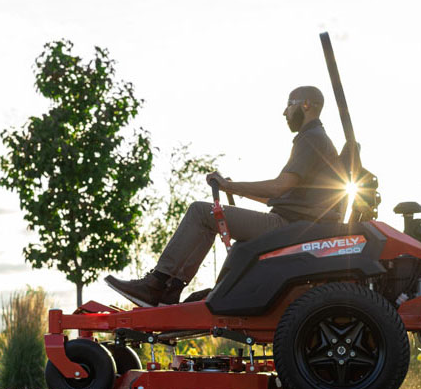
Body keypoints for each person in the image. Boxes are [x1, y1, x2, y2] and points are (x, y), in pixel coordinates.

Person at [105, 85, 345, 307]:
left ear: (306, 105)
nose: (285, 112)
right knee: (208, 218)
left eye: (289, 104)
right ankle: (171, 289)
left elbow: (278, 188)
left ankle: (157, 283)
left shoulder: (311, 139)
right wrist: (233, 188)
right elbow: (280, 196)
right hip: (295, 223)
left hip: (289, 227)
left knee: (201, 212)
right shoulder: (316, 140)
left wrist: (231, 187)